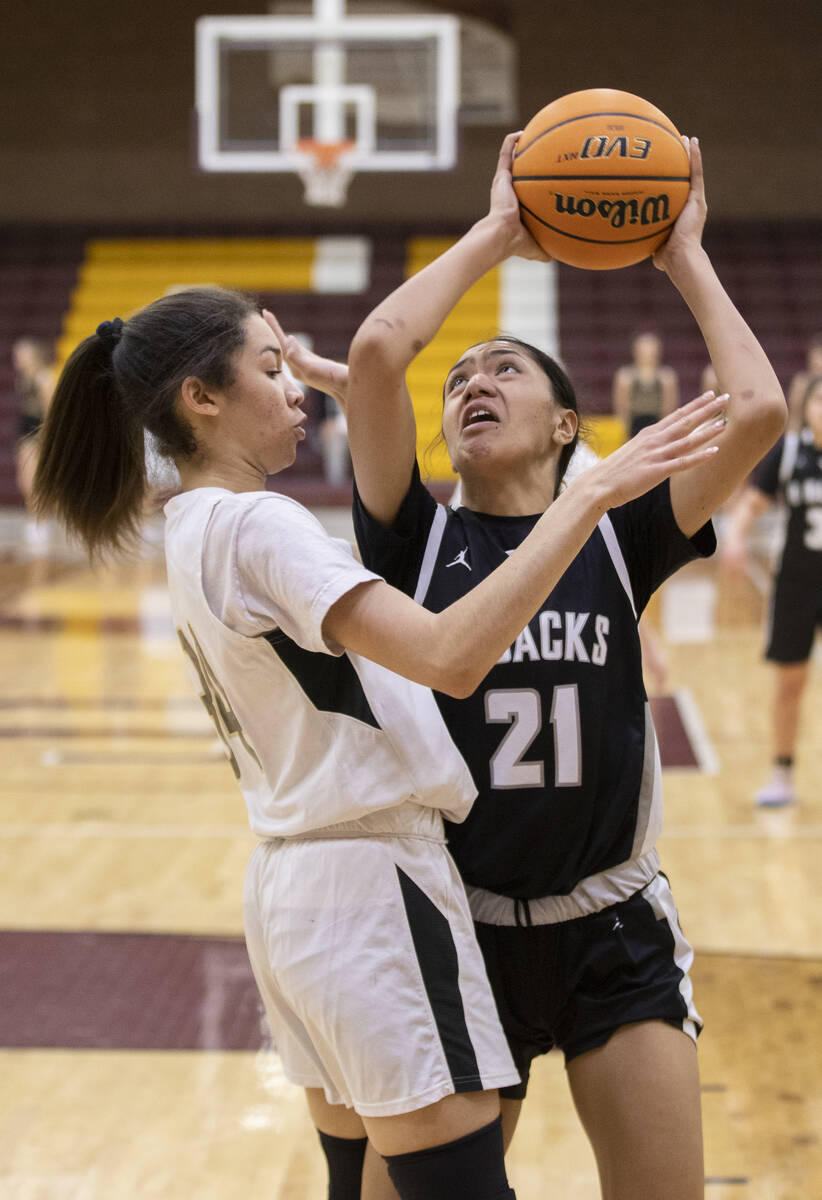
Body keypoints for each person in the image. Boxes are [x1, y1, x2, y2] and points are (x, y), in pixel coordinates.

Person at [30, 285, 722, 1200]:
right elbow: (451, 655)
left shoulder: (191, 525)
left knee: (358, 1184)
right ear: (202, 398)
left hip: (291, 888)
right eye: (272, 369)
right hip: (370, 884)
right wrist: (590, 491)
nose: (301, 393)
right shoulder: (262, 521)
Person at [275, 133, 786, 1200]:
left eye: (503, 368)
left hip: (610, 925)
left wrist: (683, 250)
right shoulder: (411, 540)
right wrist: (502, 229)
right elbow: (376, 353)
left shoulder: (617, 529)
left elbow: (762, 415)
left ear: (568, 425)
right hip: (459, 926)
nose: (471, 382)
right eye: (458, 374)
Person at [722, 373, 822, 806]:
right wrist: (735, 537)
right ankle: (782, 775)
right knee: (790, 683)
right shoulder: (791, 452)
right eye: (820, 400)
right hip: (798, 583)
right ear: (807, 407)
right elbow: (752, 502)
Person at [12, 336, 54, 553]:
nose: (17, 357)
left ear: (34, 355)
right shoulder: (23, 379)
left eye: (22, 353)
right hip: (24, 434)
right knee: (24, 481)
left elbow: (49, 414)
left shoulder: (43, 378)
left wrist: (45, 442)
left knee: (33, 482)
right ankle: (35, 519)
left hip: (37, 436)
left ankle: (41, 521)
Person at [613, 329, 679, 439]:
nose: (648, 353)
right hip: (633, 428)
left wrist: (664, 432)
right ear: (635, 351)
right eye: (644, 349)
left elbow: (669, 408)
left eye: (651, 349)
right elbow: (621, 408)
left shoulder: (666, 377)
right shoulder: (625, 376)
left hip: (658, 426)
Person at [786, 333, 822, 431]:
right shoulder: (802, 383)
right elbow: (794, 417)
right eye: (816, 367)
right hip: (804, 433)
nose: (818, 375)